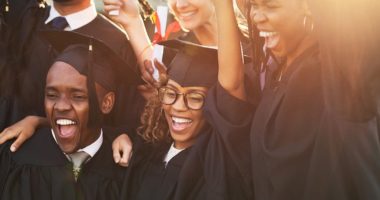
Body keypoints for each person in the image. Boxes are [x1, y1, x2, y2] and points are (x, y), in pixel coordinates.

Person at [212, 0, 380, 199]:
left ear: (310, 7)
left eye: (271, 7)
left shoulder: (330, 83)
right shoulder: (279, 70)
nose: (256, 16)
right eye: (253, 6)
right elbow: (232, 88)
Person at [0, 30, 141, 199]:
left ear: (106, 103)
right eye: (52, 95)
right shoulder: (17, 156)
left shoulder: (125, 168)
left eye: (78, 96)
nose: (61, 106)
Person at [120, 39, 252, 200]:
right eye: (170, 93)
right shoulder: (149, 150)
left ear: (214, 106)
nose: (178, 106)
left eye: (195, 98)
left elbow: (233, 88)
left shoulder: (218, 164)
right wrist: (119, 135)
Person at [0, 0, 137, 133]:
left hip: (72, 154)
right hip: (8, 148)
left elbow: (121, 124)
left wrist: (40, 124)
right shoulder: (24, 19)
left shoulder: (116, 42)